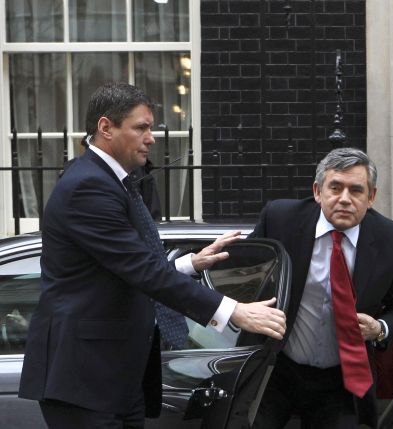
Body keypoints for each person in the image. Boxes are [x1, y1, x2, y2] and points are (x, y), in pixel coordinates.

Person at [18, 82, 286, 429]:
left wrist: (189, 264)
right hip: (84, 380)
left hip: (116, 380)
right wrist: (232, 310)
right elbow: (140, 269)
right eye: (141, 127)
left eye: (151, 128)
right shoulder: (88, 186)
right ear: (106, 128)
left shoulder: (113, 181)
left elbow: (121, 267)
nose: (151, 138)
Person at [249, 147, 393, 429]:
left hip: (342, 381)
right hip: (277, 368)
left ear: (371, 197)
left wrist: (379, 328)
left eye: (356, 190)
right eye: (335, 187)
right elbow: (247, 277)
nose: (344, 199)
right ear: (318, 191)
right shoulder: (280, 219)